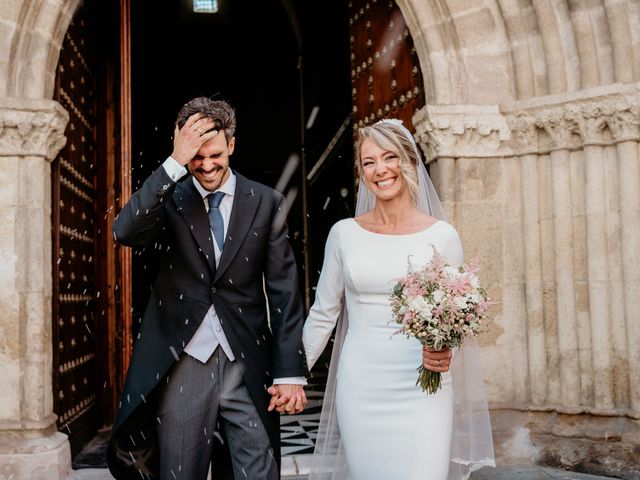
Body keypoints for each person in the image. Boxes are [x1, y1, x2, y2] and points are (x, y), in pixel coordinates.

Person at [107, 97, 308, 480]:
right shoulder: (170, 198)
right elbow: (125, 231)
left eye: (215, 153)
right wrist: (173, 162)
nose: (207, 164)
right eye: (196, 156)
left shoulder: (267, 203)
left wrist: (289, 373)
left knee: (258, 471)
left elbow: (285, 294)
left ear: (231, 145)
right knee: (181, 471)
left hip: (246, 361)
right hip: (183, 361)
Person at [302, 119, 495, 480]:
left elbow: (455, 317)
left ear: (408, 161)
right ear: (361, 172)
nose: (380, 169)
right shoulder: (343, 235)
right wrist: (294, 375)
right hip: (361, 387)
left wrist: (444, 350)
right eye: (369, 162)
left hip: (424, 389)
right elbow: (323, 314)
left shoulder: (443, 235)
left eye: (389, 157)